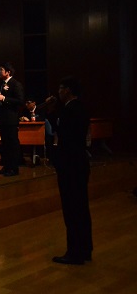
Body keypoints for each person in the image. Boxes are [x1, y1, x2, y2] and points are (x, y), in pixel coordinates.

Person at [51, 77, 92, 265]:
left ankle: (74, 252)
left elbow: (63, 135)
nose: (59, 91)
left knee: (72, 210)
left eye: (61, 88)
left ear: (68, 90)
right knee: (81, 208)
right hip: (80, 163)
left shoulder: (69, 110)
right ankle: (85, 249)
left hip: (70, 165)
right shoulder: (81, 108)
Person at [0, 62, 24, 176]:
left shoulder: (16, 84)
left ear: (8, 72)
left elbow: (20, 101)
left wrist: (4, 98)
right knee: (4, 144)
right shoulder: (1, 84)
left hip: (11, 119)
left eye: (1, 69)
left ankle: (13, 168)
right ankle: (6, 166)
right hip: (2, 118)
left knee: (12, 144)